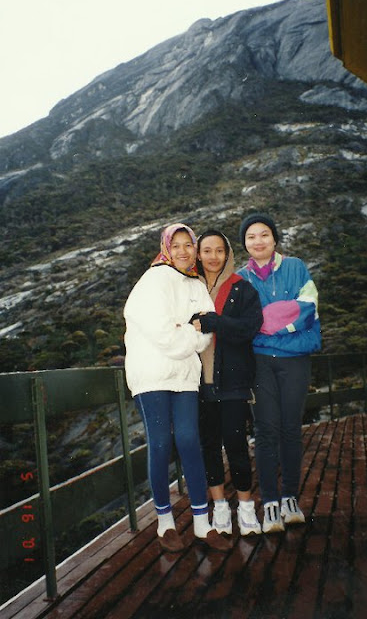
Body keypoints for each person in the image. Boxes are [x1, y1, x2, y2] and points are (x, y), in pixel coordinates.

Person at [123, 223, 230, 553]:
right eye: (177, 245)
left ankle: (202, 523)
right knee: (160, 442)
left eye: (189, 245)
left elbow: (207, 328)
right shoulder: (152, 280)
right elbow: (162, 332)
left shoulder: (197, 284)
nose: (183, 251)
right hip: (152, 374)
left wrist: (188, 332)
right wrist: (189, 332)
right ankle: (165, 522)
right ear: (166, 248)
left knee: (188, 440)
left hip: (184, 376)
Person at [238, 213, 321, 533]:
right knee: (265, 430)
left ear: (274, 238)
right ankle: (270, 503)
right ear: (245, 243)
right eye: (251, 236)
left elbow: (308, 306)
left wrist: (264, 321)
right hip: (259, 362)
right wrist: (280, 319)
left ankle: (290, 498)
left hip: (294, 360)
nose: (258, 241)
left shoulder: (296, 267)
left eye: (264, 234)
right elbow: (243, 323)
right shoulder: (240, 279)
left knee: (290, 428)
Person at [192, 230, 263, 536]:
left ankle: (246, 509)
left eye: (219, 250)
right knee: (208, 447)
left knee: (236, 445)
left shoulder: (241, 288)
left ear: (227, 254)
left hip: (233, 382)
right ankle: (220, 507)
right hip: (198, 385)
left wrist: (215, 321)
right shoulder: (189, 288)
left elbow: (251, 327)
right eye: (206, 250)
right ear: (198, 254)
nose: (213, 256)